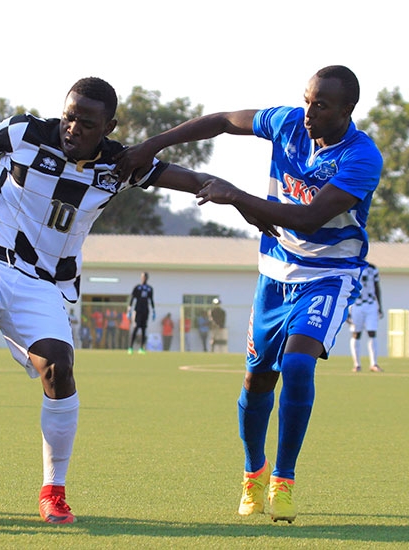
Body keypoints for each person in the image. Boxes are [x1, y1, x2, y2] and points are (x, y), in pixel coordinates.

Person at [0, 76, 233, 524]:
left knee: (59, 368)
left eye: (87, 123)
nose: (72, 128)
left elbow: (192, 179)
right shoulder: (27, 132)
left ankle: (53, 491)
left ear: (108, 125)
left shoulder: (122, 164)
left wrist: (238, 199)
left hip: (43, 284)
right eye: (69, 116)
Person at [115, 66, 382, 523]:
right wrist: (149, 146)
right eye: (307, 99)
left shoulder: (361, 157)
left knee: (298, 365)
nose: (308, 112)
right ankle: (252, 474)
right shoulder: (287, 123)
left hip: (328, 274)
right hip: (274, 273)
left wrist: (235, 196)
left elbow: (309, 219)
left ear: (347, 110)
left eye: (321, 105)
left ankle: (283, 480)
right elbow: (221, 121)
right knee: (258, 379)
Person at [348, 263, 383, 372]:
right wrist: (346, 308)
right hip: (356, 305)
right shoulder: (351, 267)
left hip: (371, 304)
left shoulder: (372, 269)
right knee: (356, 334)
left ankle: (374, 363)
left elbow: (377, 287)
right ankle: (357, 364)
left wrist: (379, 306)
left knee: (372, 332)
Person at [128, 272, 155, 354]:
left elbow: (151, 300)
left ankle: (141, 348)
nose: (144, 278)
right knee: (136, 328)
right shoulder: (137, 287)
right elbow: (132, 298)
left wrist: (154, 310)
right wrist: (129, 308)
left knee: (144, 329)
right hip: (138, 310)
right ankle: (130, 347)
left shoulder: (149, 288)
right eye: (143, 277)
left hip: (145, 311)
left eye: (145, 277)